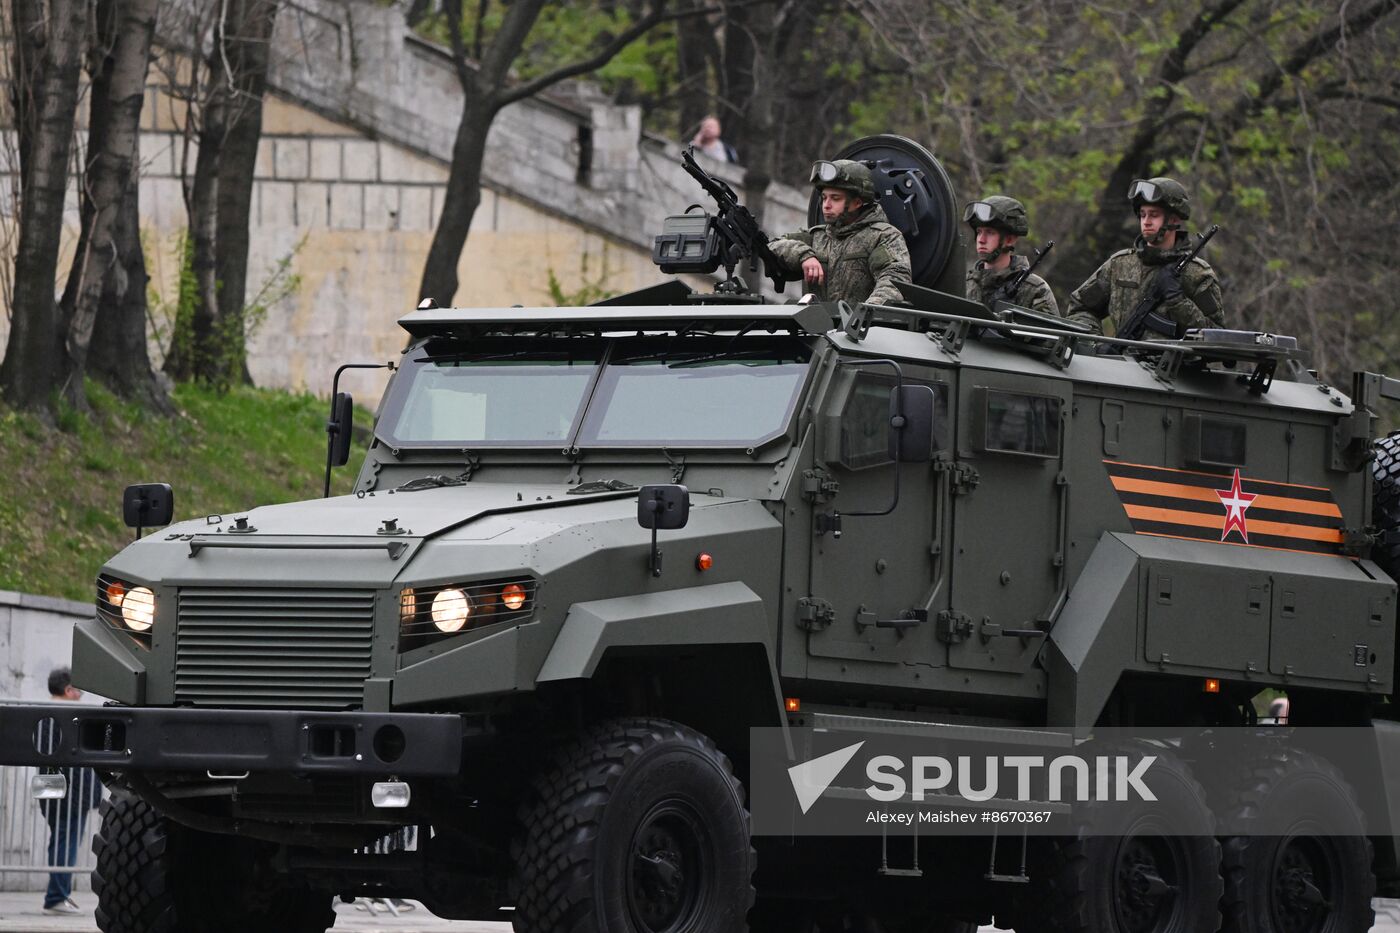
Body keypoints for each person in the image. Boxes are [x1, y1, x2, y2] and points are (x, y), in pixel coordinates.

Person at [1065, 176, 1224, 338]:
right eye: (1142, 215)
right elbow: (1080, 307)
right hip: (1118, 361)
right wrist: (1095, 345)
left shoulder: (1197, 273)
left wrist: (1178, 302)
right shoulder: (1119, 265)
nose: (1146, 222)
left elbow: (1218, 335)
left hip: (1173, 362)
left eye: (1153, 215)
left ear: (1174, 219)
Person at [768, 159, 912, 305]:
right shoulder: (817, 237)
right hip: (813, 325)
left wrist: (865, 314)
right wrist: (803, 255)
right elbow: (771, 246)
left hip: (861, 325)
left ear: (857, 203)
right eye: (824, 198)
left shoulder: (883, 237)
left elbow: (894, 280)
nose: (826, 205)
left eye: (835, 198)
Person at [39, 668, 102, 916]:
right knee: (66, 842)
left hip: (52, 785)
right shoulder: (67, 716)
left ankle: (58, 894)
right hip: (71, 791)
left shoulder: (41, 713)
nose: (80, 695)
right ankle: (56, 897)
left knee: (59, 839)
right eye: (79, 689)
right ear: (68, 690)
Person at [962, 196, 1059, 315]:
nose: (981, 240)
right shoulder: (963, 284)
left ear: (1009, 240)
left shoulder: (1035, 290)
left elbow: (1049, 332)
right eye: (979, 232)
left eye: (990, 233)